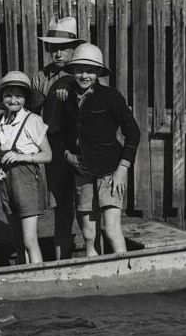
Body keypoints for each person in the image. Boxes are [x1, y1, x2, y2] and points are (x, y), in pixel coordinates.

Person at [58, 43, 141, 258]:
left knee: (112, 229)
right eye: (79, 70)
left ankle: (125, 273)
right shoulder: (66, 99)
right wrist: (68, 156)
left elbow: (133, 133)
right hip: (82, 173)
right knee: (88, 233)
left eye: (91, 71)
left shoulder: (111, 96)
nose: (84, 75)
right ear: (73, 71)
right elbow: (63, 135)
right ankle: (94, 274)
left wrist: (122, 169)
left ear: (98, 73)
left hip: (110, 172)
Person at [0, 72, 51, 265]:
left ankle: (38, 278)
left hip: (27, 180)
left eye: (18, 96)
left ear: (26, 99)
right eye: (8, 95)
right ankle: (22, 274)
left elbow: (48, 155)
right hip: (6, 182)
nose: (13, 100)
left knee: (30, 239)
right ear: (2, 97)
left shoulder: (33, 121)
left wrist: (21, 156)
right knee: (17, 240)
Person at [31, 16, 83, 260]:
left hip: (83, 147)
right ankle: (63, 260)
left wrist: (70, 83)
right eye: (53, 48)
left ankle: (97, 259)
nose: (58, 53)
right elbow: (31, 114)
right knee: (61, 206)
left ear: (74, 48)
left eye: (63, 48)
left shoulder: (85, 74)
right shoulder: (41, 77)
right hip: (54, 145)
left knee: (88, 207)